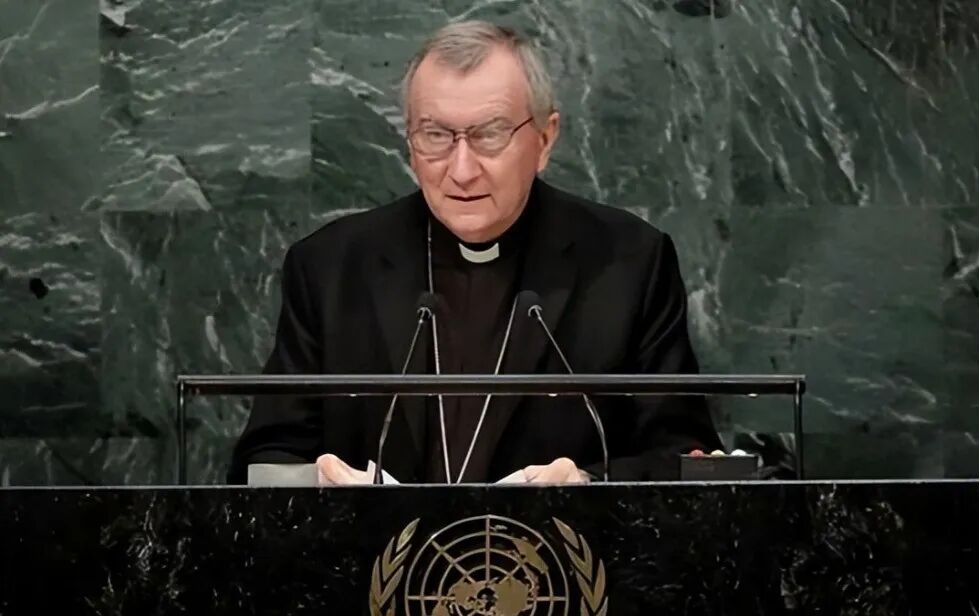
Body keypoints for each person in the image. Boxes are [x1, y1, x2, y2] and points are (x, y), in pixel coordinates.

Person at [228, 20, 721, 486]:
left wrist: (587, 484)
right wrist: (317, 483)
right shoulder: (331, 268)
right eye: (436, 136)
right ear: (409, 142)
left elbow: (687, 460)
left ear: (545, 139)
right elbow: (262, 463)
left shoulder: (628, 263)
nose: (462, 171)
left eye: (489, 135)